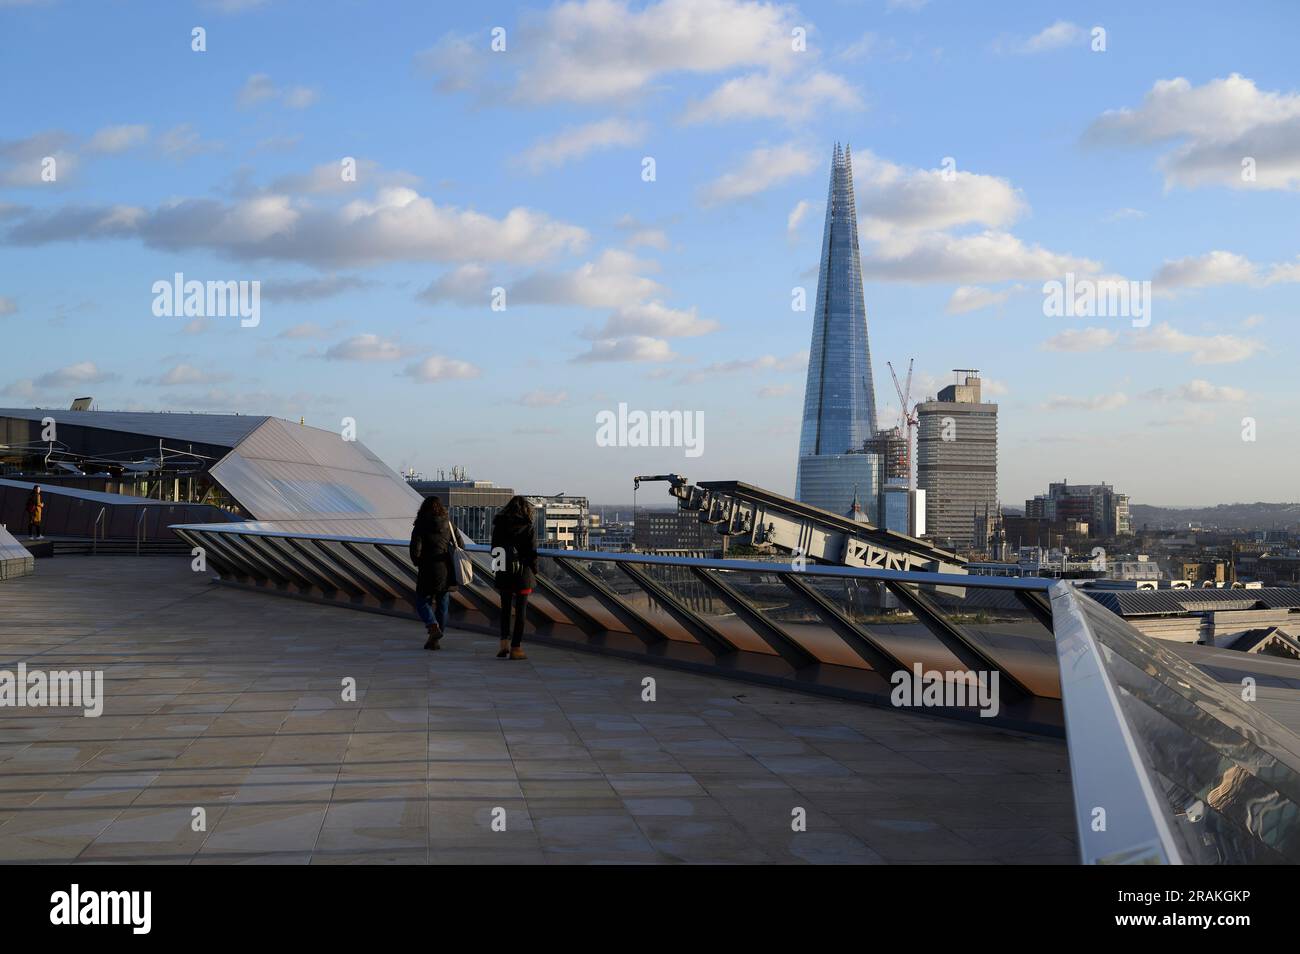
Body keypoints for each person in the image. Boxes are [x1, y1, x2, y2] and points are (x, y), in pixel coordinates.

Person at [490, 495, 538, 660]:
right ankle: (516, 648)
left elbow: (494, 549)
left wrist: (499, 568)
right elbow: (532, 553)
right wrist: (535, 570)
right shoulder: (528, 527)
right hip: (522, 573)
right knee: (521, 612)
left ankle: (504, 644)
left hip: (504, 571)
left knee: (505, 610)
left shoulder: (499, 526)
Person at [409, 495, 454, 650]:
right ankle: (435, 639)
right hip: (446, 570)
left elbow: (415, 551)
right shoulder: (449, 525)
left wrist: (419, 562)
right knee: (443, 606)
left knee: (422, 601)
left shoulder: (420, 526)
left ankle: (432, 626)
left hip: (427, 569)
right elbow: (460, 544)